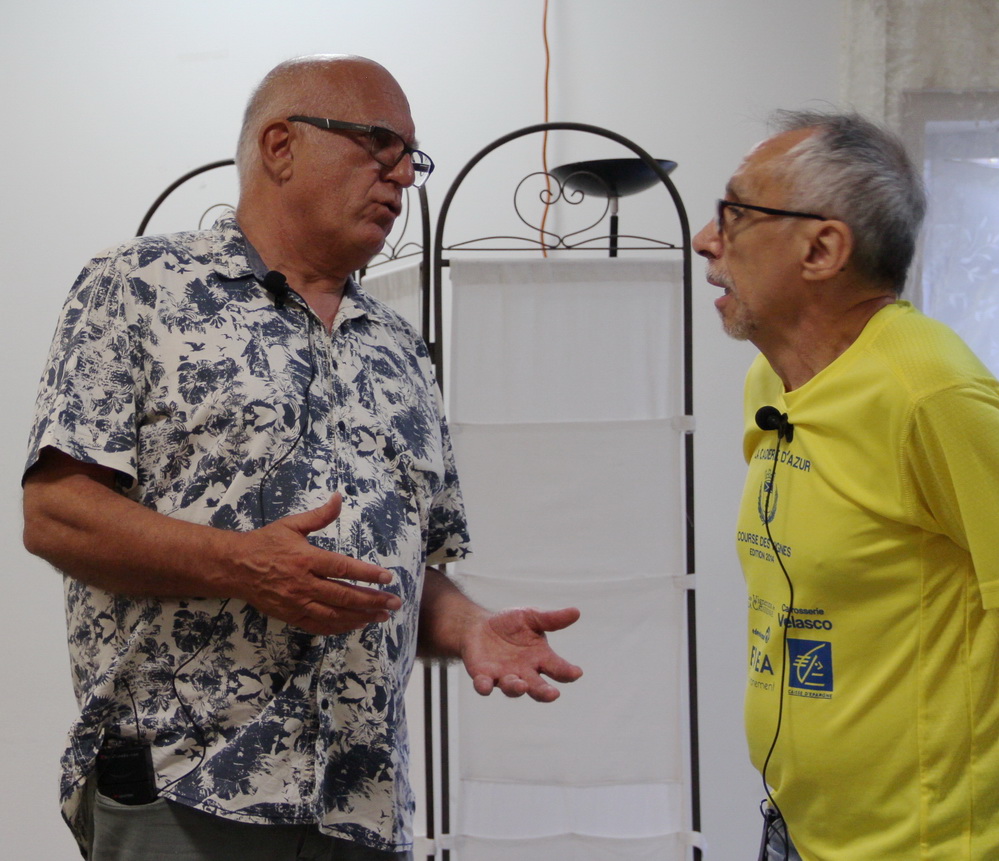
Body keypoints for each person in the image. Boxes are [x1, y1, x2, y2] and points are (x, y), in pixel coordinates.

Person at [22, 54, 582, 861]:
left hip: (362, 808)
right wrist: (241, 565)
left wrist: (468, 626)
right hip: (186, 794)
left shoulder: (400, 348)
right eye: (379, 145)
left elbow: (404, 571)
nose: (402, 176)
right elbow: (56, 512)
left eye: (413, 158)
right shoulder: (139, 288)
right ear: (280, 146)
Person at [693, 110, 999, 860]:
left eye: (735, 214)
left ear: (823, 249)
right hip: (795, 831)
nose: (706, 239)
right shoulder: (771, 380)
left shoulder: (932, 395)